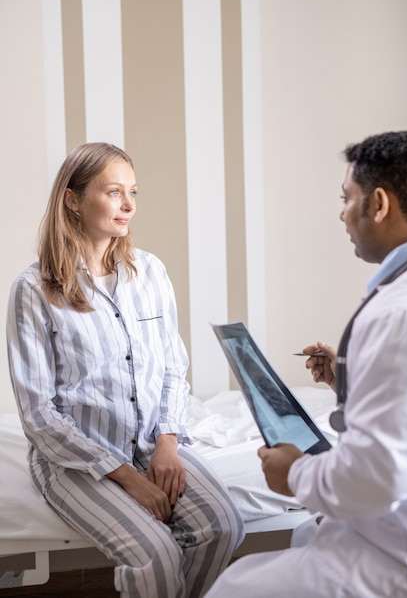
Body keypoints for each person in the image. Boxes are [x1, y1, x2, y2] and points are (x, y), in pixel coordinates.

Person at [6, 143, 244, 598]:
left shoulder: (149, 272)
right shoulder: (34, 289)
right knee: (155, 554)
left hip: (153, 442)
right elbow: (38, 414)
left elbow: (174, 366)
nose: (129, 205)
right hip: (76, 458)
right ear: (72, 199)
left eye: (132, 191)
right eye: (114, 192)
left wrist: (169, 444)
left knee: (223, 527)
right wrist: (128, 477)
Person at [204, 130, 407, 597]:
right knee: (304, 537)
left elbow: (380, 478)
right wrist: (351, 374)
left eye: (347, 198)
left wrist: (295, 473)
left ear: (378, 204)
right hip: (389, 533)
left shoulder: (399, 311)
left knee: (232, 588)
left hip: (395, 559)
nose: (341, 213)